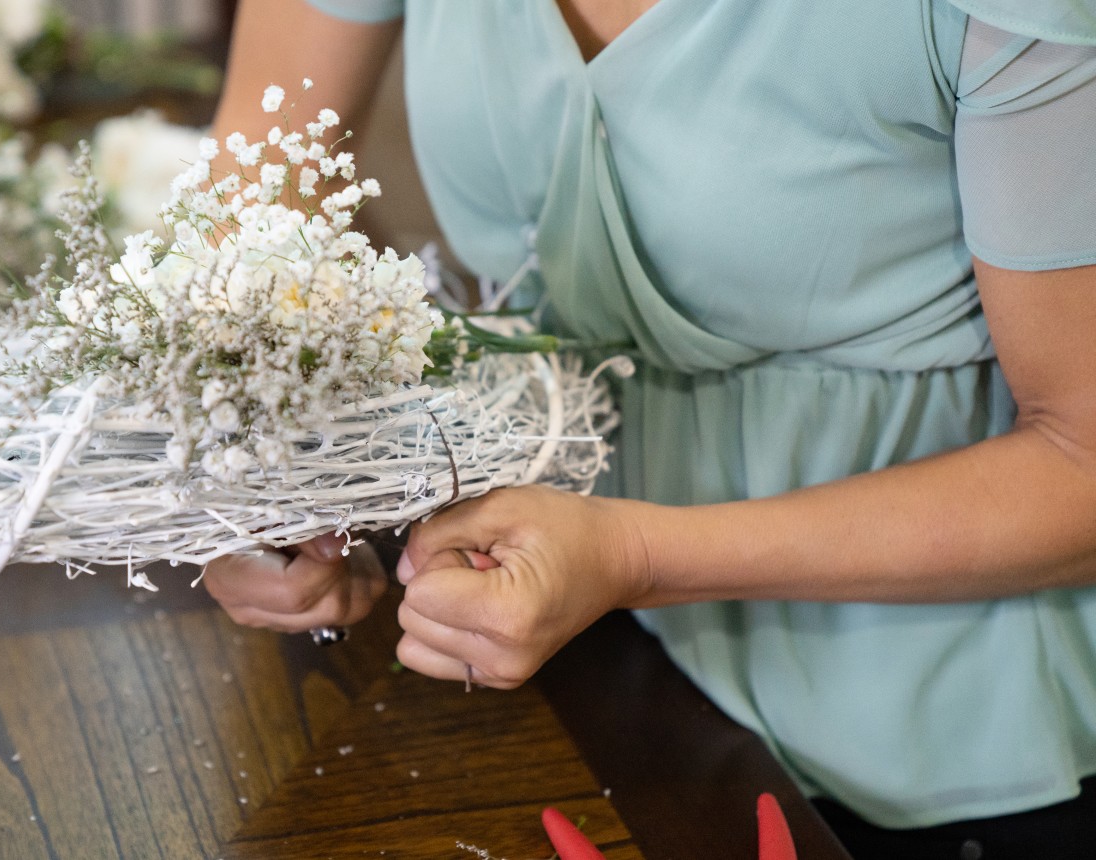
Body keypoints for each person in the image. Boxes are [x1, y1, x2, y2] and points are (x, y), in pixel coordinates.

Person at [199, 1, 1096, 856]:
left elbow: (1082, 461)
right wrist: (263, 482)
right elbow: (254, 202)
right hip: (565, 686)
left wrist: (637, 556)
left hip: (944, 741)